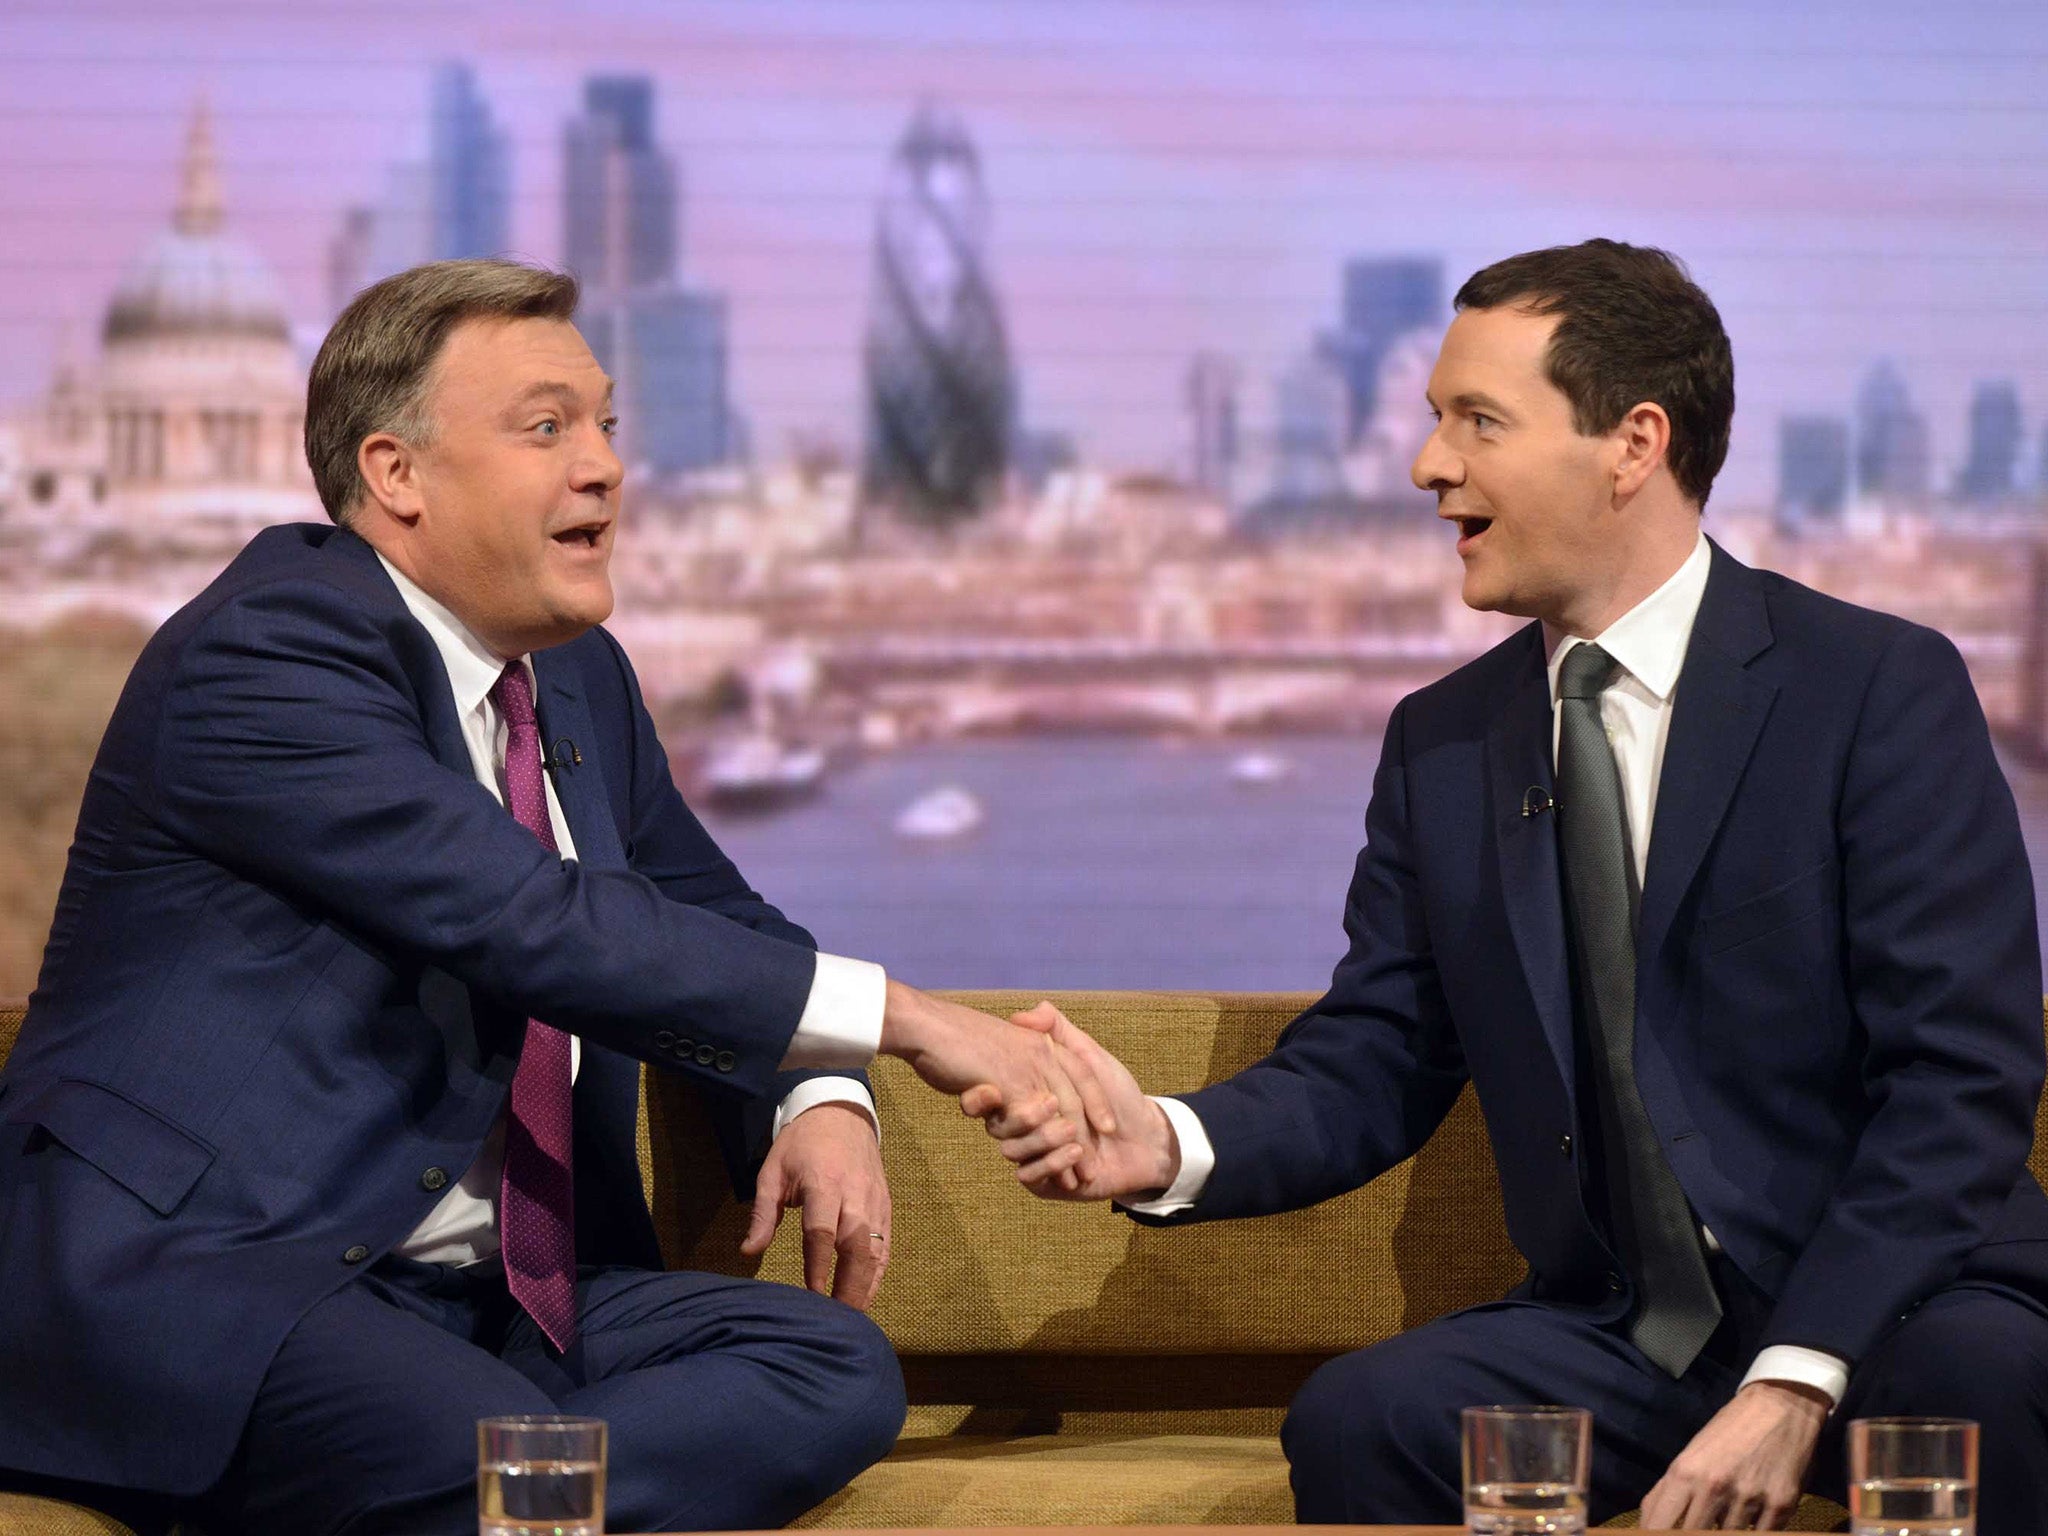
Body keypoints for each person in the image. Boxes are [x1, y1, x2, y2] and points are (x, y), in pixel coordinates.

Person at [0, 259, 1109, 1536]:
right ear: (395, 474)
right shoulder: (272, 648)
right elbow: (529, 920)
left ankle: (472, 1500)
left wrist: (818, 1090)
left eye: (605, 424)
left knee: (827, 1366)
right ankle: (478, 1489)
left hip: (485, 1293)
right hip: (222, 1274)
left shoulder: (578, 680)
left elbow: (717, 915)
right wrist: (912, 1023)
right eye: (546, 429)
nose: (604, 467)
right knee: (471, 1453)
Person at [978, 240, 2048, 1532]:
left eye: (1477, 421)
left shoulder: (1875, 691)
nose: (1430, 466)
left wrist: (1798, 1375)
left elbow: (1960, 1083)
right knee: (1362, 1420)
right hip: (1631, 1340)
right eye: (1436, 421)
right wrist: (1164, 1142)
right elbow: (1375, 1057)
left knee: (1973, 1388)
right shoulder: (1443, 744)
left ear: (1633, 444)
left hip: (1900, 1307)